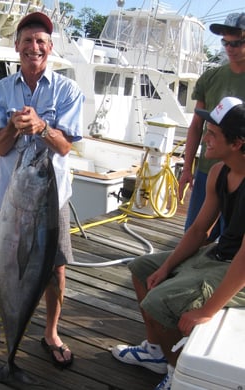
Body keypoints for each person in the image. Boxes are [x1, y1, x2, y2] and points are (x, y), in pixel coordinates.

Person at [0, 12, 84, 368]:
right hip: (10, 197)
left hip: (51, 196)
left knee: (56, 266)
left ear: (50, 48)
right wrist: (14, 127)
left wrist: (43, 126)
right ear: (16, 46)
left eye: (41, 41)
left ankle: (50, 332)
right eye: (28, 40)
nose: (35, 47)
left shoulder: (68, 91)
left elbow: (64, 147)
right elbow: (0, 149)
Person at [111, 96, 245, 390]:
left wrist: (206, 310)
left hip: (238, 269)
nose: (204, 138)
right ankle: (157, 352)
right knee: (142, 269)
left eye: (213, 134)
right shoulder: (219, 172)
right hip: (220, 254)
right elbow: (199, 230)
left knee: (160, 302)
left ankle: (175, 372)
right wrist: (167, 266)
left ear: (236, 143)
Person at [178, 12, 245, 241]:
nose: (230, 47)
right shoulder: (210, 77)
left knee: (231, 240)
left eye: (237, 42)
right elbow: (197, 125)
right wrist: (187, 168)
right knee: (195, 233)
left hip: (241, 174)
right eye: (225, 42)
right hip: (208, 170)